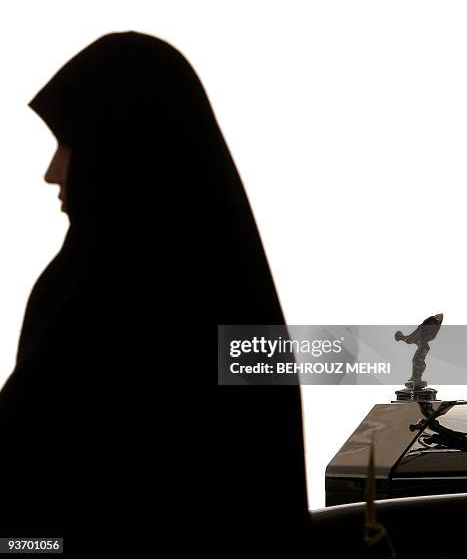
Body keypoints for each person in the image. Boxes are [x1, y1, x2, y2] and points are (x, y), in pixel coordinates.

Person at [0, 31, 310, 551]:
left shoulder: (104, 304)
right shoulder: (229, 287)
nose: (52, 173)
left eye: (68, 145)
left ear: (118, 150)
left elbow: (40, 515)